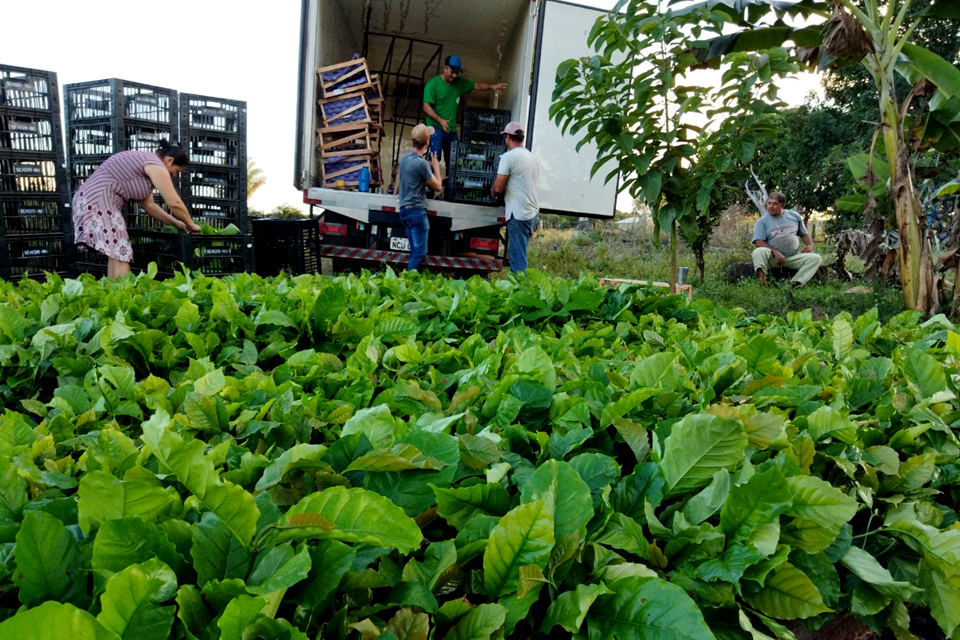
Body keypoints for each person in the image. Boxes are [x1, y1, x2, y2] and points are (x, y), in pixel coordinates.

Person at [73, 140, 201, 278]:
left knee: (115, 253)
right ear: (169, 160)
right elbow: (174, 202)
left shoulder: (146, 163)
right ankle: (123, 293)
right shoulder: (156, 166)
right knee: (122, 251)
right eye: (177, 171)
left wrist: (177, 223)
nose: (175, 175)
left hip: (88, 200)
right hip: (98, 201)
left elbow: (150, 205)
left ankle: (112, 292)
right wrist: (190, 223)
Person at [422, 55, 508, 183]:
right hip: (436, 127)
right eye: (452, 72)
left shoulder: (459, 83)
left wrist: (492, 87)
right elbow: (426, 106)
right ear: (445, 68)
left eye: (457, 73)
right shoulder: (433, 84)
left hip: (451, 130)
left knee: (455, 160)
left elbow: (477, 85)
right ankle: (430, 187)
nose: (454, 76)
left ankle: (448, 190)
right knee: (435, 156)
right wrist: (440, 120)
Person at [491, 122, 539, 274]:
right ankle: (521, 289)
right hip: (530, 211)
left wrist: (492, 192)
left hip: (518, 213)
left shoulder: (509, 157)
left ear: (507, 137)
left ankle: (522, 291)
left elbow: (498, 188)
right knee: (519, 254)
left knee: (517, 259)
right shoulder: (530, 156)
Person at [398, 124, 442, 272]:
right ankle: (408, 285)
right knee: (420, 254)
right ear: (427, 142)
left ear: (413, 140)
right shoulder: (422, 164)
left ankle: (407, 284)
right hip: (416, 212)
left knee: (414, 251)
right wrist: (436, 167)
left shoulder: (404, 159)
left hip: (405, 211)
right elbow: (438, 187)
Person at [752, 192, 822, 286]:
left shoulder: (794, 216)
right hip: (772, 259)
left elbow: (804, 233)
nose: (770, 206)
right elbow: (758, 242)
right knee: (758, 251)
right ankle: (762, 283)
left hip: (792, 258)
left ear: (782, 205)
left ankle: (795, 284)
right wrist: (775, 252)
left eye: (775, 204)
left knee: (816, 258)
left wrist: (809, 245)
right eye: (769, 203)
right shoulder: (762, 221)